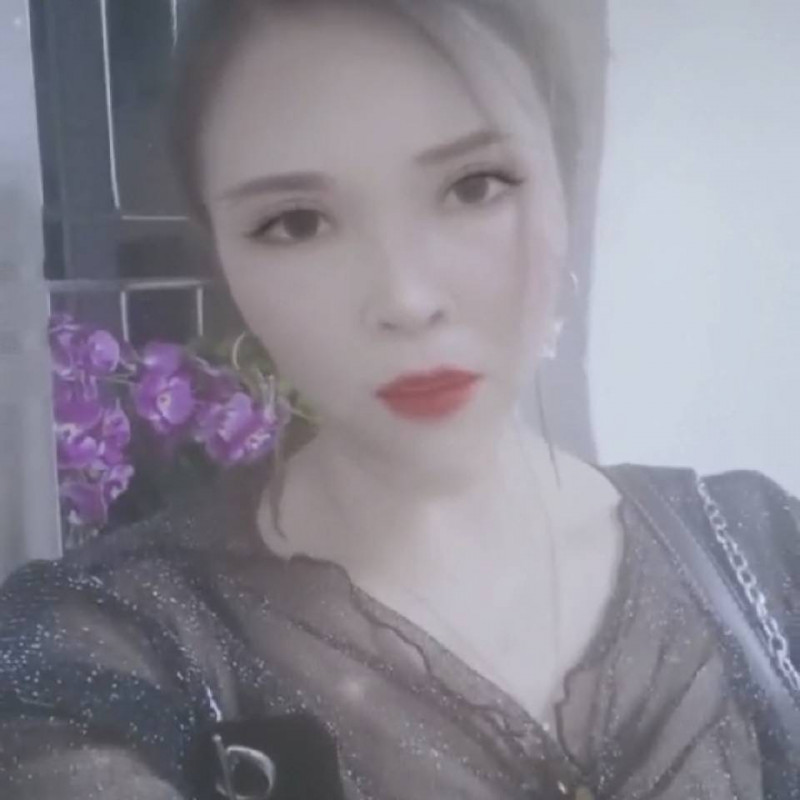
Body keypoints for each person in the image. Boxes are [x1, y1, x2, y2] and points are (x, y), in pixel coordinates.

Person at [1, 0, 799, 797]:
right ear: (222, 259)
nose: (406, 299)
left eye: (475, 186)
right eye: (296, 223)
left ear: (564, 185)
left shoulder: (763, 557)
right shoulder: (97, 654)